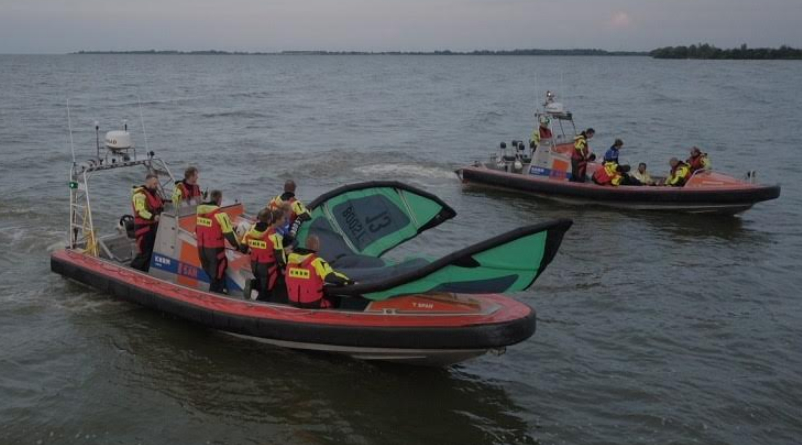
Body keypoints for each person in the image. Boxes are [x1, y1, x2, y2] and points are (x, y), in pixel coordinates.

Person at [285, 235, 351, 309]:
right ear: (317, 247)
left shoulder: (290, 260)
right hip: (312, 303)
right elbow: (331, 277)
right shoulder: (317, 261)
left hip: (293, 302)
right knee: (335, 298)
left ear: (306, 245)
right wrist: (348, 281)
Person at [196, 190, 241, 294]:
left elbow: (198, 229)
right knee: (218, 273)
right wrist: (239, 246)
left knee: (212, 273)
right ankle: (214, 296)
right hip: (215, 251)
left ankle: (221, 289)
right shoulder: (220, 215)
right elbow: (229, 234)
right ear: (220, 199)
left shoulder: (200, 212)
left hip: (201, 249)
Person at [241, 208, 287, 302]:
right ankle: (258, 305)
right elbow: (279, 256)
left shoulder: (249, 232)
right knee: (266, 290)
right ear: (270, 220)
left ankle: (253, 283)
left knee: (262, 283)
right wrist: (284, 267)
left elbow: (243, 249)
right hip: (268, 267)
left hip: (254, 265)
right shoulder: (274, 236)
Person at [130, 174, 165, 272]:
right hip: (143, 229)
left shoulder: (154, 194)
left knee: (152, 252)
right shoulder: (139, 195)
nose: (156, 186)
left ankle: (146, 271)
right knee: (145, 253)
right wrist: (154, 217)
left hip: (153, 227)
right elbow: (141, 211)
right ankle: (133, 270)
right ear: (148, 183)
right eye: (154, 184)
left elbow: (160, 205)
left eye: (157, 183)